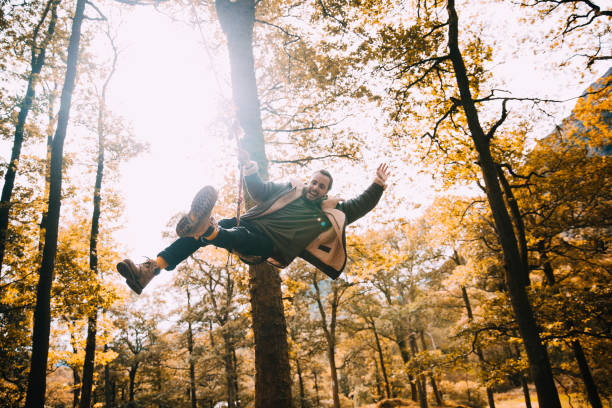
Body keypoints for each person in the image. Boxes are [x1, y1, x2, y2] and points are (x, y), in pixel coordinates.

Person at [117, 152, 390, 294]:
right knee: (205, 235)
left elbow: (361, 205)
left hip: (267, 247)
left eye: (322, 186)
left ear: (326, 191)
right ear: (308, 181)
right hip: (245, 223)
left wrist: (377, 184)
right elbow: (258, 190)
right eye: (314, 182)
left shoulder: (328, 215)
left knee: (237, 237)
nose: (316, 188)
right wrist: (250, 169)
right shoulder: (289, 189)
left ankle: (208, 230)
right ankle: (150, 271)